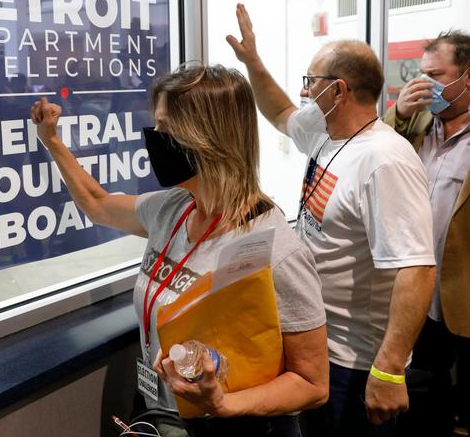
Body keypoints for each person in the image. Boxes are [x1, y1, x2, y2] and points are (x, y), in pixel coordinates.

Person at [30, 64, 329, 436]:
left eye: (165, 129)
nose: (155, 139)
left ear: (205, 138)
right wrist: (52, 141)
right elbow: (98, 204)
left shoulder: (274, 249)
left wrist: (223, 404)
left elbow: (312, 384)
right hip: (166, 416)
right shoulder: (172, 209)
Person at [227, 3, 437, 436]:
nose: (304, 91)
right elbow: (281, 112)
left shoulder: (385, 160)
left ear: (338, 90)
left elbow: (416, 269)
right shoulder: (326, 131)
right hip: (319, 347)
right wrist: (252, 62)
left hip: (357, 365)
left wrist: (390, 369)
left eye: (311, 82)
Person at [383, 30, 470, 437]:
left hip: (462, 291)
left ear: (466, 77)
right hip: (417, 286)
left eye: (436, 75)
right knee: (423, 390)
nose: (425, 84)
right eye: (420, 74)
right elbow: (374, 150)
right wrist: (397, 113)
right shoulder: (416, 122)